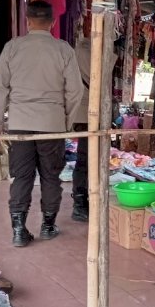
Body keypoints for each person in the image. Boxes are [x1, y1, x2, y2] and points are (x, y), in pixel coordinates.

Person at [0, 0, 84, 247]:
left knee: (22, 178)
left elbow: (0, 89)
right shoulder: (63, 49)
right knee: (51, 177)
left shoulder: (13, 47)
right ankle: (48, 226)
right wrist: (65, 121)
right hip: (52, 124)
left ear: (27, 21)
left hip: (20, 123)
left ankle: (19, 230)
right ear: (53, 23)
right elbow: (75, 92)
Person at [70, 34, 91, 222]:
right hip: (87, 112)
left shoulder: (82, 49)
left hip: (86, 111)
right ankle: (80, 202)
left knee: (87, 158)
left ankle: (83, 200)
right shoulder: (85, 50)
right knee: (85, 159)